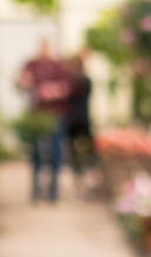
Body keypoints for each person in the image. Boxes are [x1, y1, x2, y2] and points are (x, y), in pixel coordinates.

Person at [15, 39, 73, 202]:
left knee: (55, 151)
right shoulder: (31, 65)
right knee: (35, 152)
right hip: (37, 115)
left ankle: (53, 190)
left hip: (55, 114)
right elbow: (20, 83)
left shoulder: (58, 66)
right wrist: (24, 82)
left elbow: (67, 88)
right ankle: (35, 190)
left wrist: (52, 90)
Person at [61, 48, 97, 189]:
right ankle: (88, 171)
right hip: (83, 117)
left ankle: (77, 172)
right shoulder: (86, 80)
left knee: (72, 148)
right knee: (88, 147)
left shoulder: (71, 82)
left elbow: (66, 96)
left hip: (71, 118)